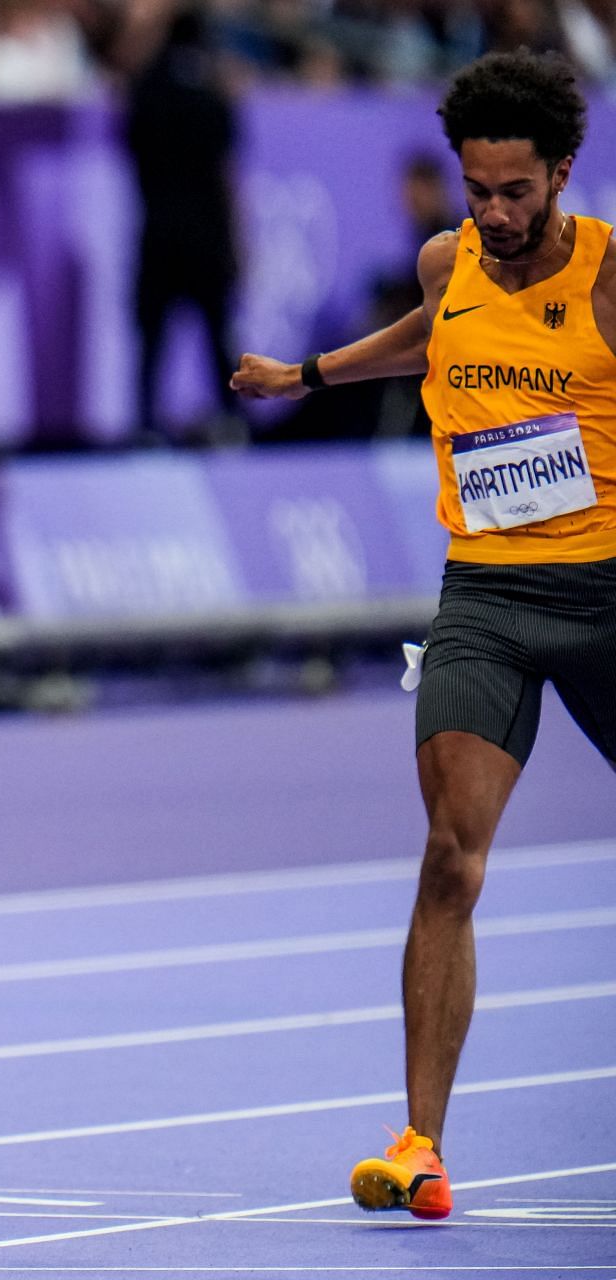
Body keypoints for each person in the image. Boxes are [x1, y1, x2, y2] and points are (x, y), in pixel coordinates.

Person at [230, 50, 616, 1221]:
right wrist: (309, 374)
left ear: (560, 173)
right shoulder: (450, 261)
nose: (492, 214)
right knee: (450, 855)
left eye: (514, 192)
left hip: (607, 598)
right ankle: (420, 1144)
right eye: (475, 189)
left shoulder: (607, 279)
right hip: (487, 600)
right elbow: (427, 337)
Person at [125, 4, 240, 443]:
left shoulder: (145, 92)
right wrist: (236, 242)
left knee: (152, 336)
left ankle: (145, 425)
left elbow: (131, 154)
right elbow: (226, 175)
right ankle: (231, 420)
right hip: (206, 234)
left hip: (158, 230)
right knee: (216, 333)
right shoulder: (213, 96)